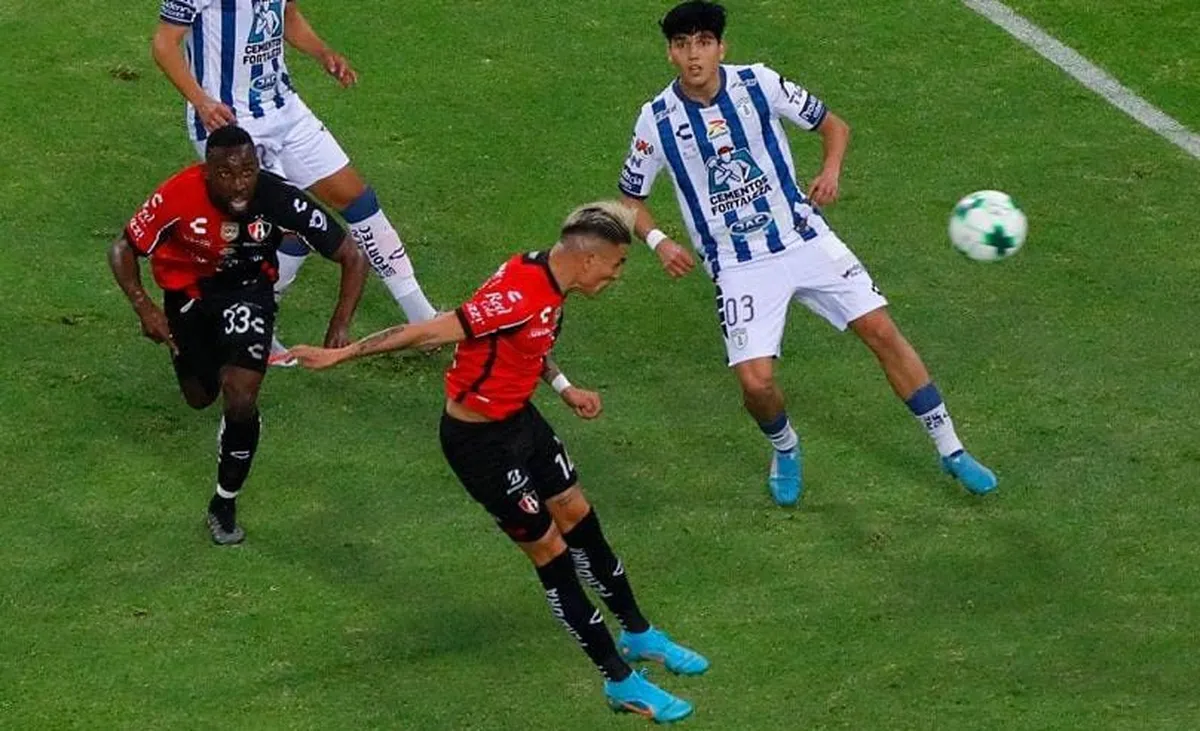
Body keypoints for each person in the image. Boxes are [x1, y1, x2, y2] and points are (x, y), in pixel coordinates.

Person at [289, 203, 706, 723]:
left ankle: (639, 633)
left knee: (578, 514)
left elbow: (529, 345)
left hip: (520, 420)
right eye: (616, 264)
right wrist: (340, 355)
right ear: (588, 259)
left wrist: (564, 387)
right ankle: (619, 682)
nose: (617, 275)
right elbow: (430, 332)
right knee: (551, 551)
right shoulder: (520, 294)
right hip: (478, 442)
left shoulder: (544, 277)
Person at [618, 0, 998, 506]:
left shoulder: (759, 83)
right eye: (682, 45)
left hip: (804, 237)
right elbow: (630, 198)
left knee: (882, 330)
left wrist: (831, 170)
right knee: (755, 385)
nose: (694, 55)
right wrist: (659, 241)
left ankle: (951, 449)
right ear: (670, 53)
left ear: (720, 48)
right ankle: (787, 446)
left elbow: (833, 125)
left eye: (703, 43)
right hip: (738, 265)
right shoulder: (656, 120)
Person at [108, 125, 367, 545]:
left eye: (248, 170)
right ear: (207, 172)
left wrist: (339, 327)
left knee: (241, 393)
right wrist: (145, 308)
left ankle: (224, 501)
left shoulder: (277, 197)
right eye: (226, 174)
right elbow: (122, 248)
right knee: (199, 396)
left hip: (249, 291)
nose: (240, 183)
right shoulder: (178, 195)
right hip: (188, 293)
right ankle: (222, 391)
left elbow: (351, 255)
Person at [151, 0, 437, 365]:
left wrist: (322, 53)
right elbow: (163, 44)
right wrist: (202, 102)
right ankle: (257, 325)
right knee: (292, 227)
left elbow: (287, 15)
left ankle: (422, 316)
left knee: (357, 199)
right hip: (230, 125)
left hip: (285, 109)